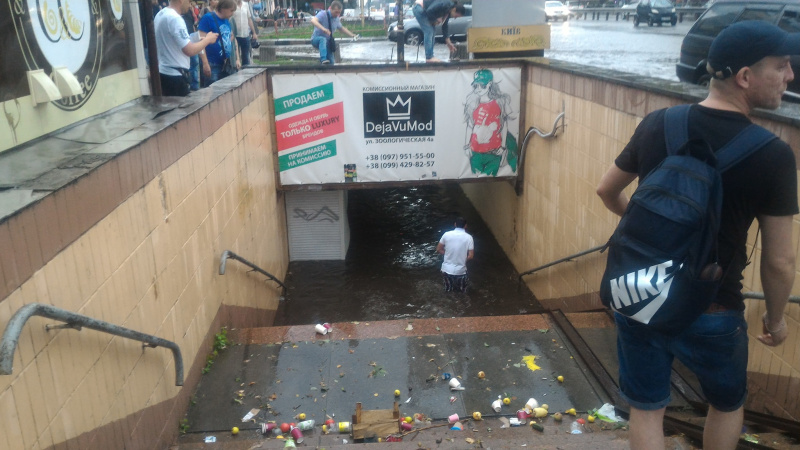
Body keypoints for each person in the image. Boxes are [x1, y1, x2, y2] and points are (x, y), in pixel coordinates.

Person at [596, 21, 798, 450]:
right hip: (714, 305)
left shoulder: (658, 124)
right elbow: (780, 261)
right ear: (745, 77)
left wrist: (648, 230)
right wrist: (777, 319)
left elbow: (606, 190)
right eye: (781, 66)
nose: (790, 76)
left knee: (647, 407)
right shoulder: (773, 154)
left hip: (642, 296)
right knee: (725, 405)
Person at [154, 0, 218, 96]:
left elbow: (174, 42)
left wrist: (197, 37)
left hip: (165, 73)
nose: (190, 4)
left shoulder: (161, 14)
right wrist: (207, 40)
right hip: (175, 77)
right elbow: (189, 50)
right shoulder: (175, 18)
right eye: (189, 1)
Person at [464, 69, 517, 176]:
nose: (478, 89)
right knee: (477, 180)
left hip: (494, 152)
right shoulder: (472, 103)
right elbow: (469, 126)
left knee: (489, 180)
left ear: (489, 85)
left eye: (481, 85)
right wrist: (466, 146)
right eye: (475, 85)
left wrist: (502, 147)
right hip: (475, 152)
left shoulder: (499, 102)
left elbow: (504, 126)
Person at [198, 0, 240, 86]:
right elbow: (200, 42)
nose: (232, 13)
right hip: (212, 64)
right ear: (223, 8)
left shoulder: (226, 20)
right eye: (231, 10)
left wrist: (236, 57)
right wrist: (205, 63)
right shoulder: (208, 18)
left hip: (225, 63)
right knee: (212, 92)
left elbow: (231, 36)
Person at [436, 217, 474, 292]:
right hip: (461, 270)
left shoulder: (446, 234)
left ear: (455, 224)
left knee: (448, 290)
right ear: (465, 226)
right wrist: (462, 259)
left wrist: (448, 255)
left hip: (446, 269)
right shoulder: (469, 238)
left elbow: (438, 249)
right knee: (463, 291)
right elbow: (471, 256)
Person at [180, 3, 200, 90]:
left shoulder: (189, 11)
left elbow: (194, 23)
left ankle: (195, 85)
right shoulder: (176, 16)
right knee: (189, 65)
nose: (189, 4)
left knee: (195, 63)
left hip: (191, 38)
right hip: (183, 41)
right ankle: (190, 85)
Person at [232, 0, 257, 66]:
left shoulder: (245, 5)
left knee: (246, 55)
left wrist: (254, 32)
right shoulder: (232, 5)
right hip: (235, 35)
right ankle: (236, 70)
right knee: (236, 54)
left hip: (245, 34)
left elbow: (249, 19)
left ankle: (245, 70)